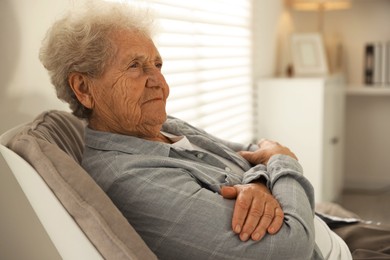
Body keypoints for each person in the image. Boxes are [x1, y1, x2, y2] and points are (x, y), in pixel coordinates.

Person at [39, 1, 390, 259]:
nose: (159, 82)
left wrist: (259, 182)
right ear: (84, 89)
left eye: (158, 64)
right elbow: (288, 248)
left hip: (327, 228)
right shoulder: (129, 179)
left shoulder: (163, 125)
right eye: (135, 66)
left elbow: (251, 151)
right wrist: (284, 160)